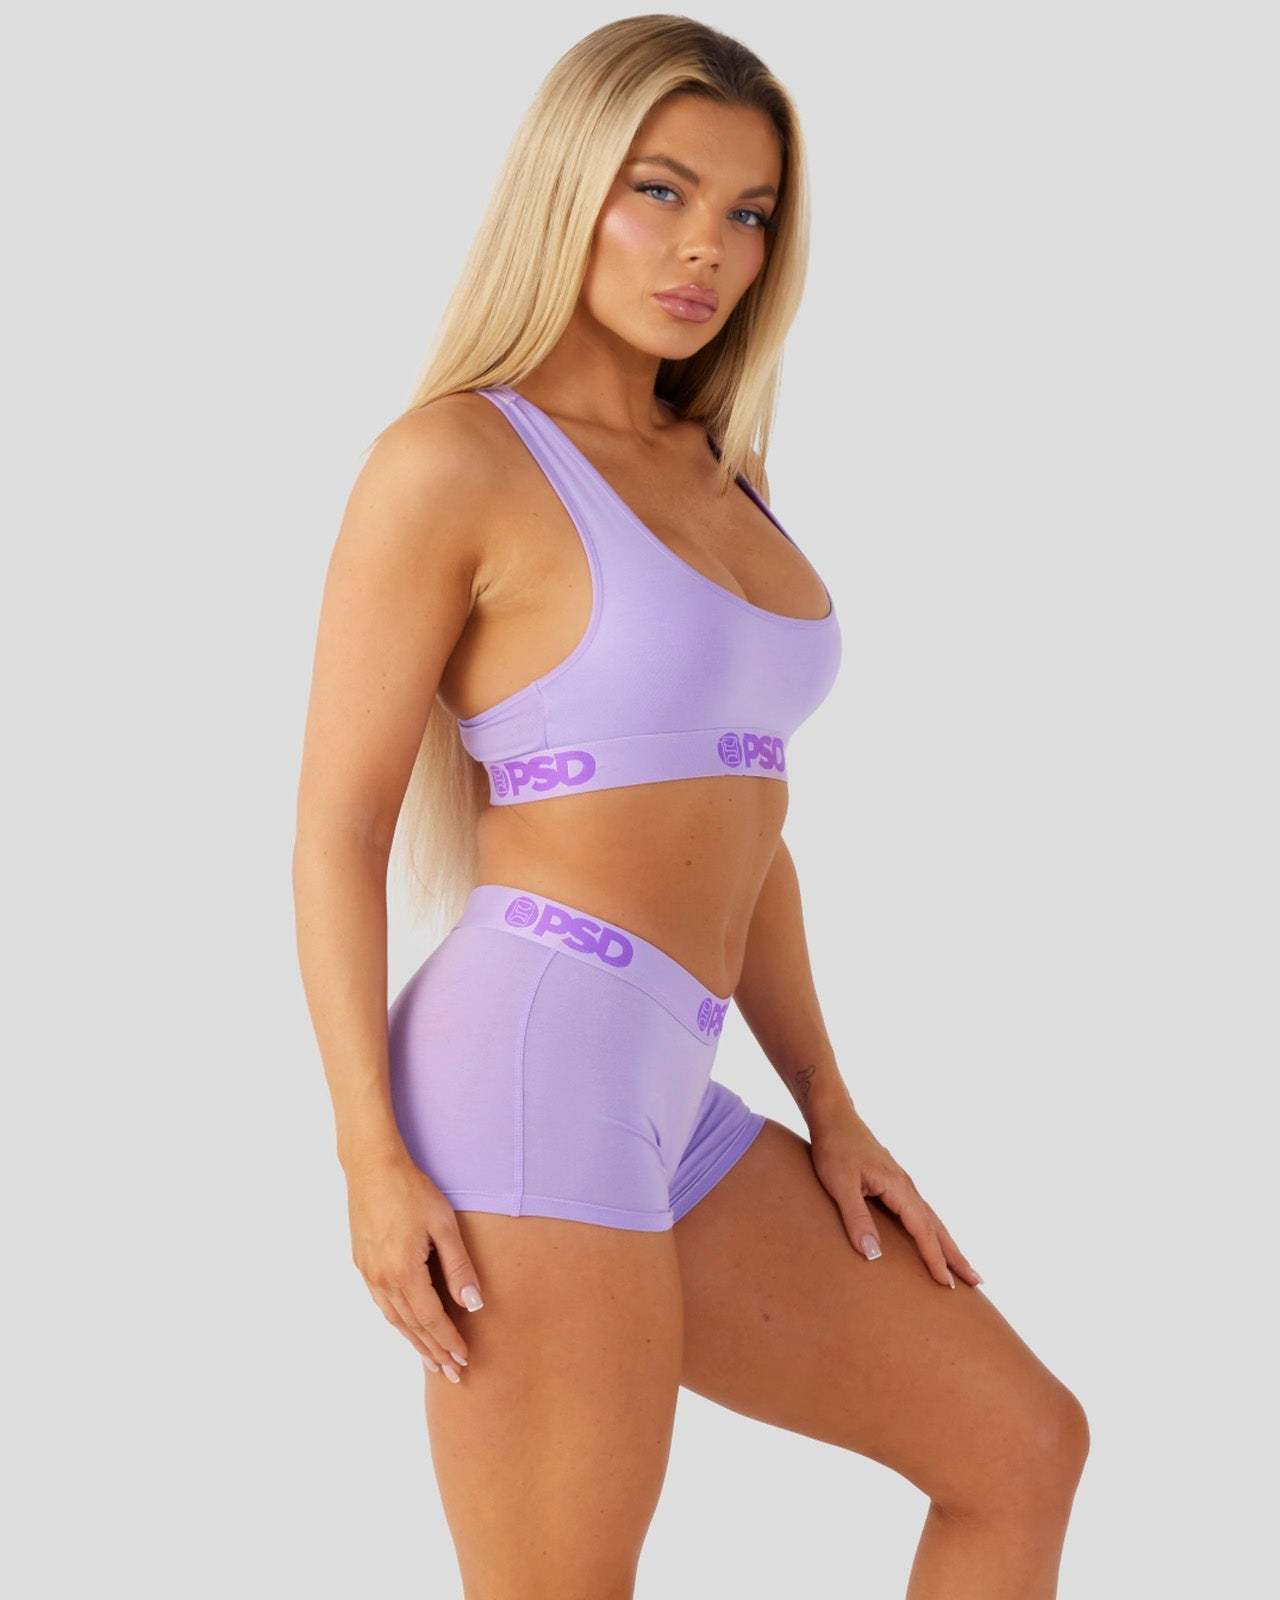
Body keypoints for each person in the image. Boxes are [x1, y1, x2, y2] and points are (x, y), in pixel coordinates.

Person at [293, 17, 1088, 1597]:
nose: (705, 247)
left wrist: (832, 1104)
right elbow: (338, 832)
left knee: (1018, 1449)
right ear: (568, 187)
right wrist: (369, 1160)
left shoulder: (723, 467)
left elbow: (748, 823)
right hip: (530, 1069)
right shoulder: (452, 461)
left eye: (748, 211)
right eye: (658, 190)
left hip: (678, 1080)